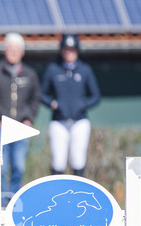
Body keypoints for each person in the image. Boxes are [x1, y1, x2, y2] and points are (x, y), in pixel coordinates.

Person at [0, 32, 40, 205]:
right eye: (10, 48)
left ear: (22, 52)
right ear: (5, 50)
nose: (13, 52)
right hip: (0, 127)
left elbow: (36, 98)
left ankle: (13, 202)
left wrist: (29, 119)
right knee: (0, 167)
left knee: (19, 166)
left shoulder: (30, 74)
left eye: (17, 49)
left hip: (21, 127)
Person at [40, 34, 101, 177]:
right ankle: (56, 194)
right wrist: (52, 103)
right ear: (61, 50)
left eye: (72, 49)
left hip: (79, 121)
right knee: (58, 162)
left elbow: (96, 96)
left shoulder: (84, 69)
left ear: (77, 50)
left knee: (78, 160)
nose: (69, 53)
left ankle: (77, 194)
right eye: (66, 49)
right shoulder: (53, 69)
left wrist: (83, 105)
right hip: (59, 121)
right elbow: (41, 94)